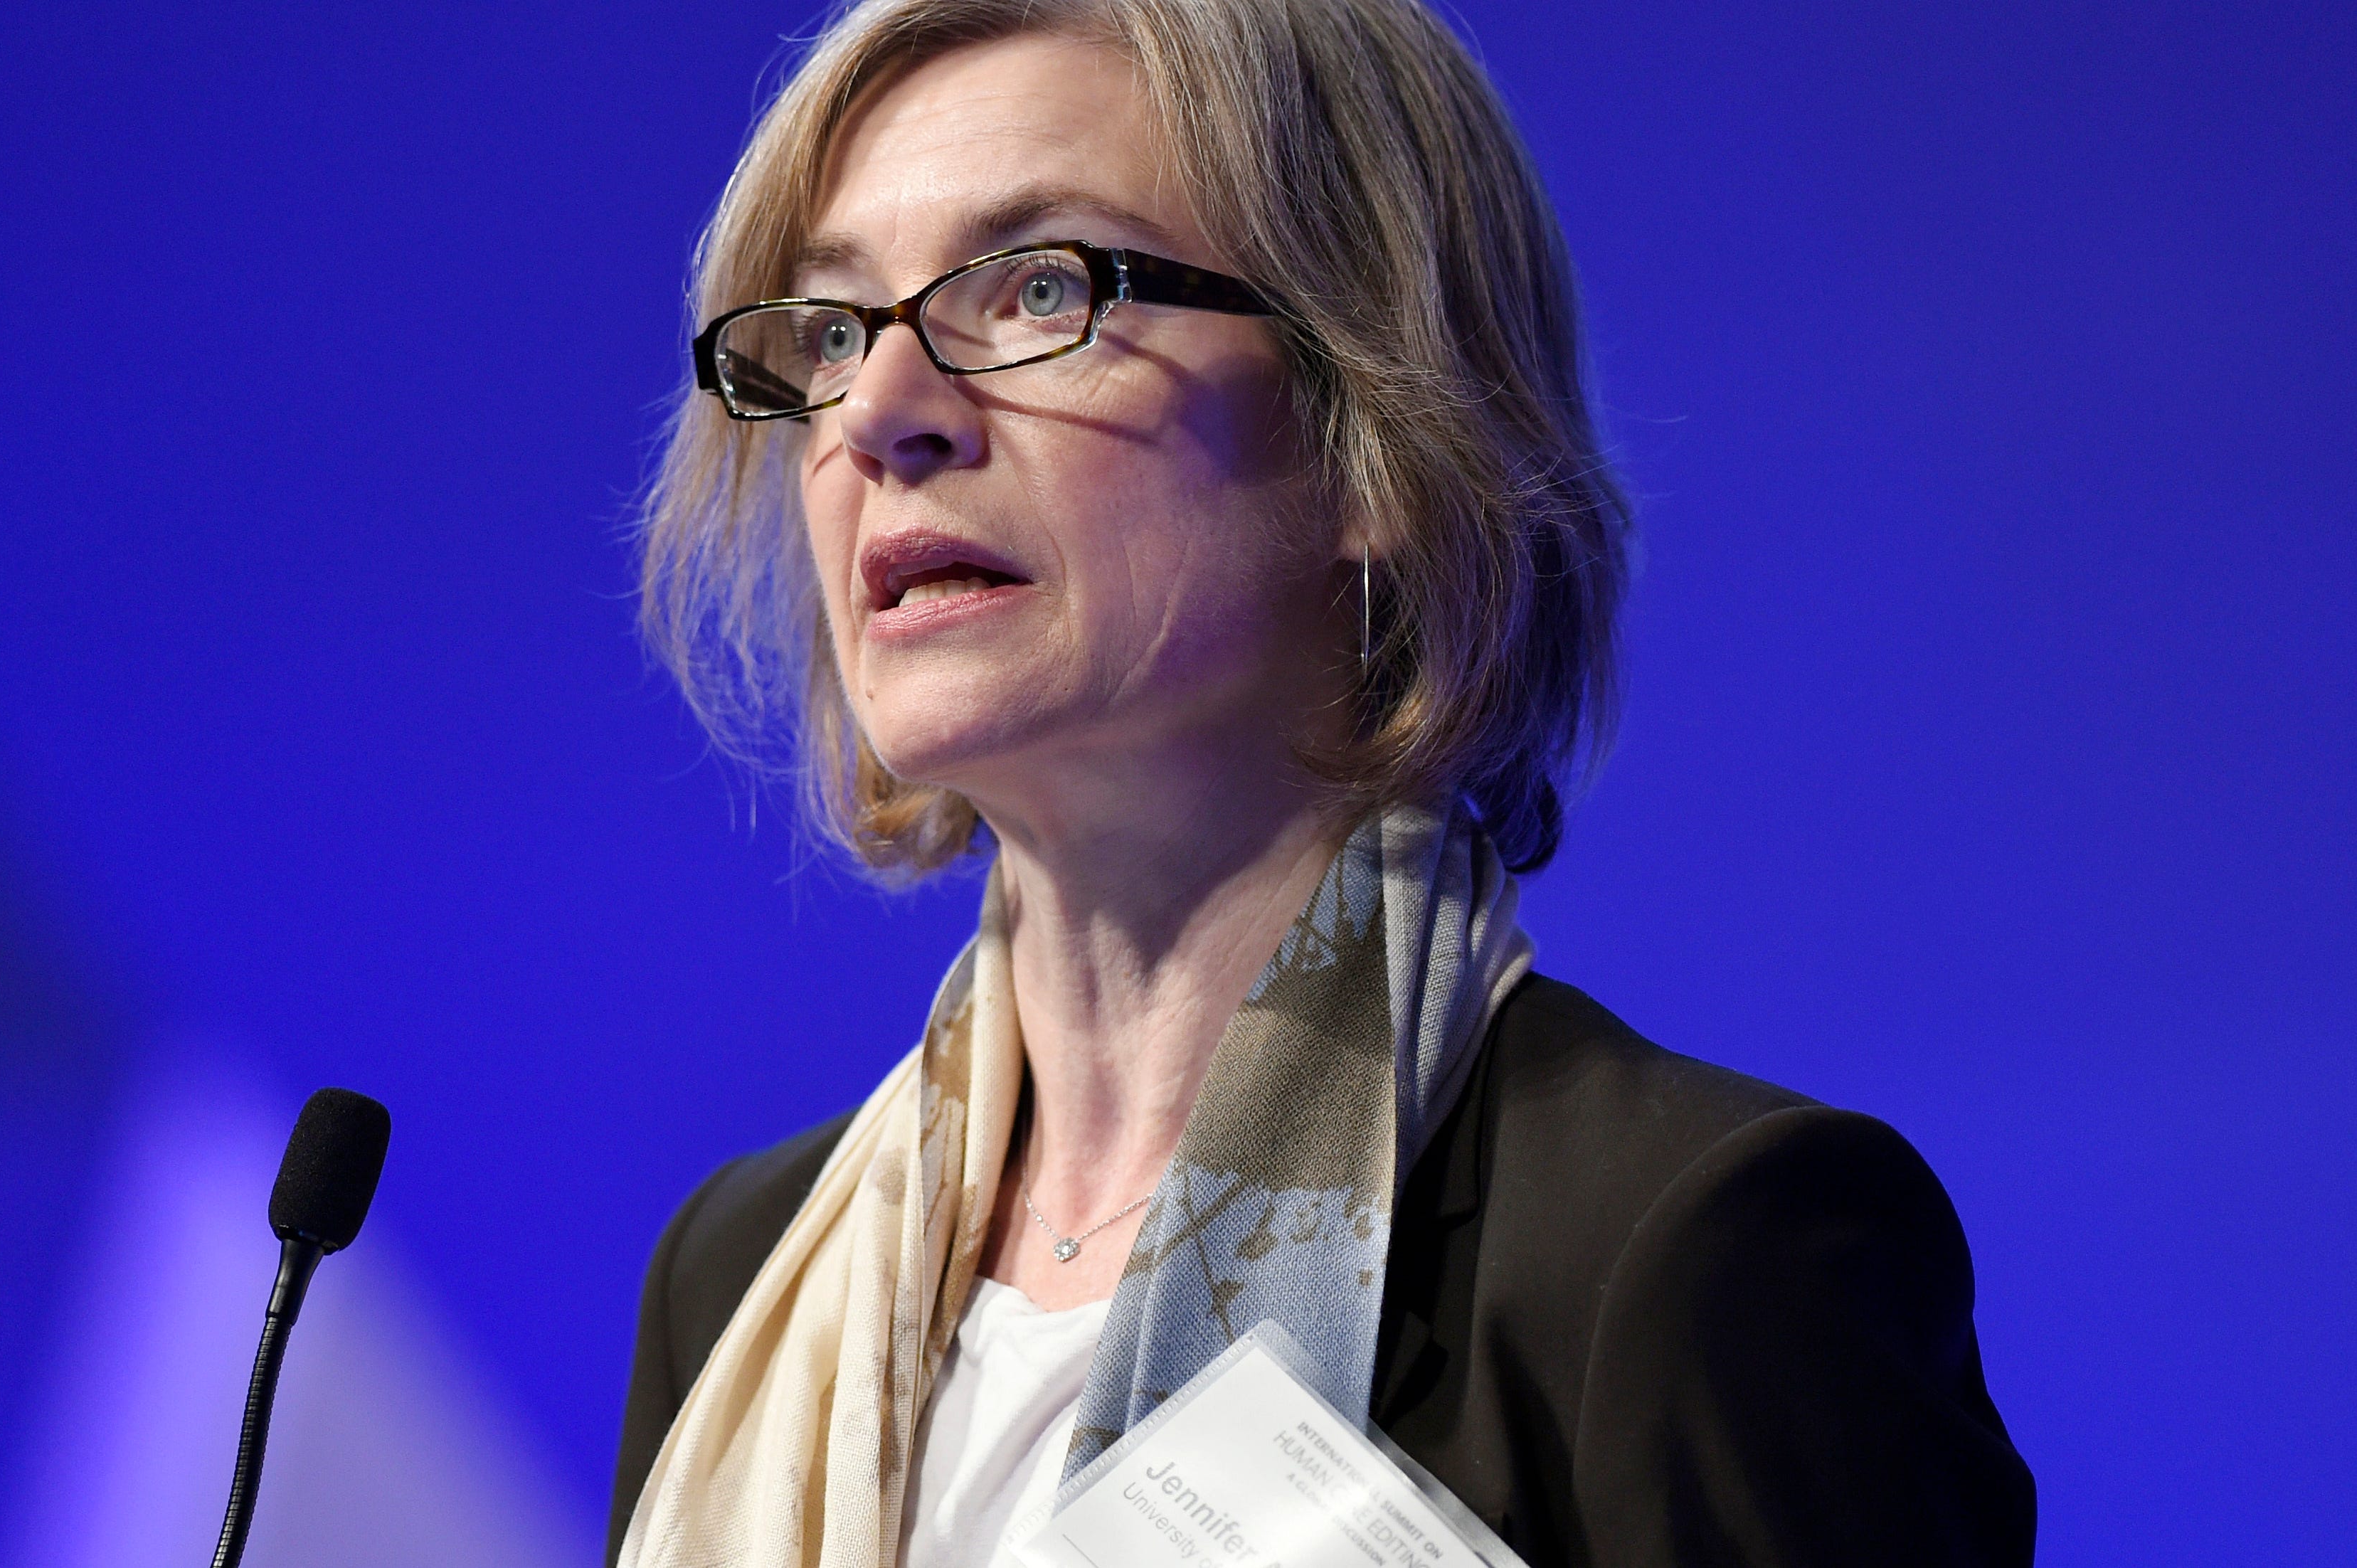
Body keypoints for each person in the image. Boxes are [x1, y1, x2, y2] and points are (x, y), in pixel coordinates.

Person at [610, 1, 2035, 1564]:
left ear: (1376, 431)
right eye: (829, 328)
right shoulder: (737, 1273)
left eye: (1037, 288)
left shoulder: (1688, 1257)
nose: (881, 414)